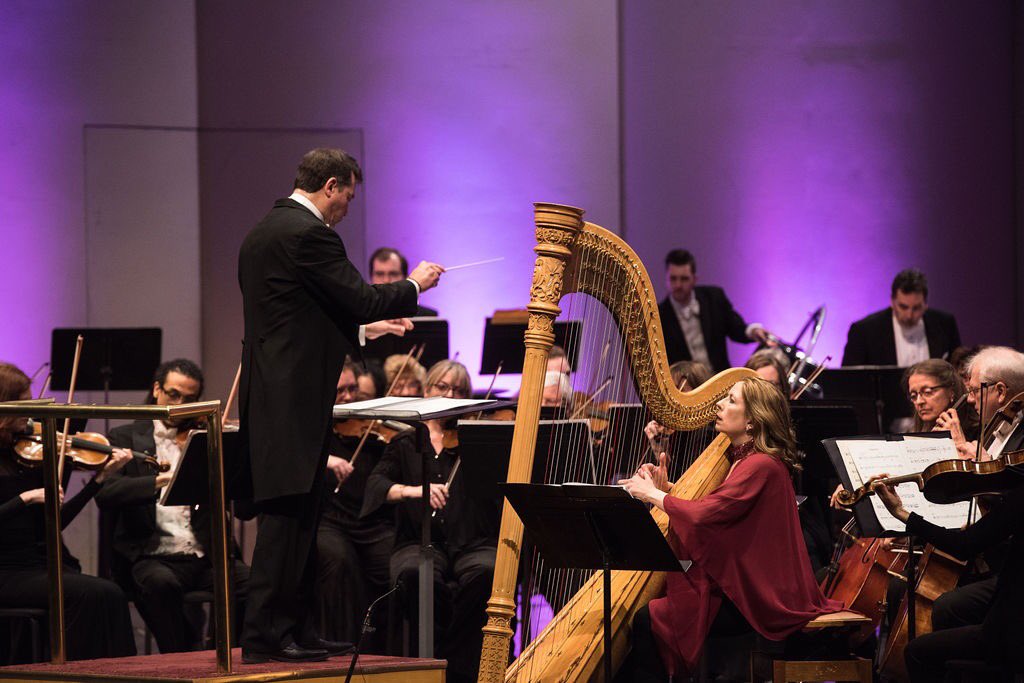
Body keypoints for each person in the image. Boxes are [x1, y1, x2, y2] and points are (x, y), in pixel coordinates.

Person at [237, 148, 443, 664]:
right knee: (287, 519)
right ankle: (265, 636)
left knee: (304, 515)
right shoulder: (310, 235)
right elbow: (363, 297)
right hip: (292, 405)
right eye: (347, 196)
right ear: (330, 185)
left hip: (278, 399)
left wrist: (366, 329)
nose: (347, 208)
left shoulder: (262, 232)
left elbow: (301, 316)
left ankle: (296, 629)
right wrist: (415, 283)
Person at [616, 377, 840, 680]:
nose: (719, 405)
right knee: (649, 617)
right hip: (742, 585)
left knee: (647, 619)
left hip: (759, 596)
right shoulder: (743, 460)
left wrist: (652, 495)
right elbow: (720, 508)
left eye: (731, 400)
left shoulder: (760, 465)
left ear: (752, 421)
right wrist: (666, 488)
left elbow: (705, 516)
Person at [96, 358, 251, 653]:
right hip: (152, 556)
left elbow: (239, 496)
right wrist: (162, 481)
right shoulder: (125, 437)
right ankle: (181, 651)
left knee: (256, 584)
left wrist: (226, 451)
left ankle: (231, 652)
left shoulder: (204, 438)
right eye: (173, 394)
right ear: (157, 389)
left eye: (189, 399)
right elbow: (107, 494)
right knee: (159, 585)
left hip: (204, 555)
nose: (179, 405)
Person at [362, 360, 497, 683]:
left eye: (458, 390)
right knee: (415, 574)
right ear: (426, 391)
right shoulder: (406, 442)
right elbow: (376, 486)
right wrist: (414, 490)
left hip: (471, 541)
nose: (450, 395)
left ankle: (457, 667)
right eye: (442, 387)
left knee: (487, 572)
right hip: (418, 542)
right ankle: (427, 664)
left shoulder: (476, 441)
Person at [0, 362, 136, 661]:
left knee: (109, 592)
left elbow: (55, 524)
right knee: (92, 593)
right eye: (24, 403)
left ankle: (116, 676)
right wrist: (24, 499)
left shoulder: (23, 455)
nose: (33, 412)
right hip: (7, 571)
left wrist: (98, 482)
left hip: (37, 565)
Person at [870, 475, 1024, 679]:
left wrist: (900, 512)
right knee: (950, 606)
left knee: (918, 652)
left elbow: (964, 545)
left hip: (1012, 628)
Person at [316, 361, 403, 650]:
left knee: (396, 568)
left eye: (353, 389)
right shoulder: (315, 429)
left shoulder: (375, 432)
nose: (348, 397)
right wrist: (324, 460)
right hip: (330, 520)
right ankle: (345, 647)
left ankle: (389, 651)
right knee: (339, 560)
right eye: (340, 391)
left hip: (372, 522)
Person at [658, 249, 772, 373]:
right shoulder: (659, 316)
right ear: (666, 279)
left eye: (684, 279)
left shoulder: (714, 298)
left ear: (694, 279)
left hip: (721, 380)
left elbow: (735, 327)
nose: (678, 285)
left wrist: (753, 331)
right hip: (687, 388)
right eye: (673, 279)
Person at [842, 269, 961, 367]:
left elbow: (958, 371)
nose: (909, 315)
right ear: (892, 302)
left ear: (925, 304)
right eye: (903, 307)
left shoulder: (945, 325)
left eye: (916, 308)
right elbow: (849, 382)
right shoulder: (864, 331)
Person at [369, 247, 438, 317]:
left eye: (393, 274)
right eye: (379, 274)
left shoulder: (427, 317)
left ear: (405, 277)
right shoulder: (360, 319)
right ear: (371, 277)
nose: (386, 280)